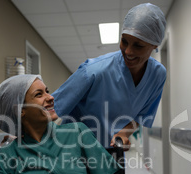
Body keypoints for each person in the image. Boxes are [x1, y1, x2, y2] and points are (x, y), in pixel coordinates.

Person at [52, 3, 167, 149]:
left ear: (155, 45)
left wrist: (124, 134)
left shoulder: (157, 75)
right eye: (124, 41)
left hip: (112, 153)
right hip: (75, 152)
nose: (128, 51)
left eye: (138, 45)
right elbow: (51, 109)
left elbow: (141, 116)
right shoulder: (93, 71)